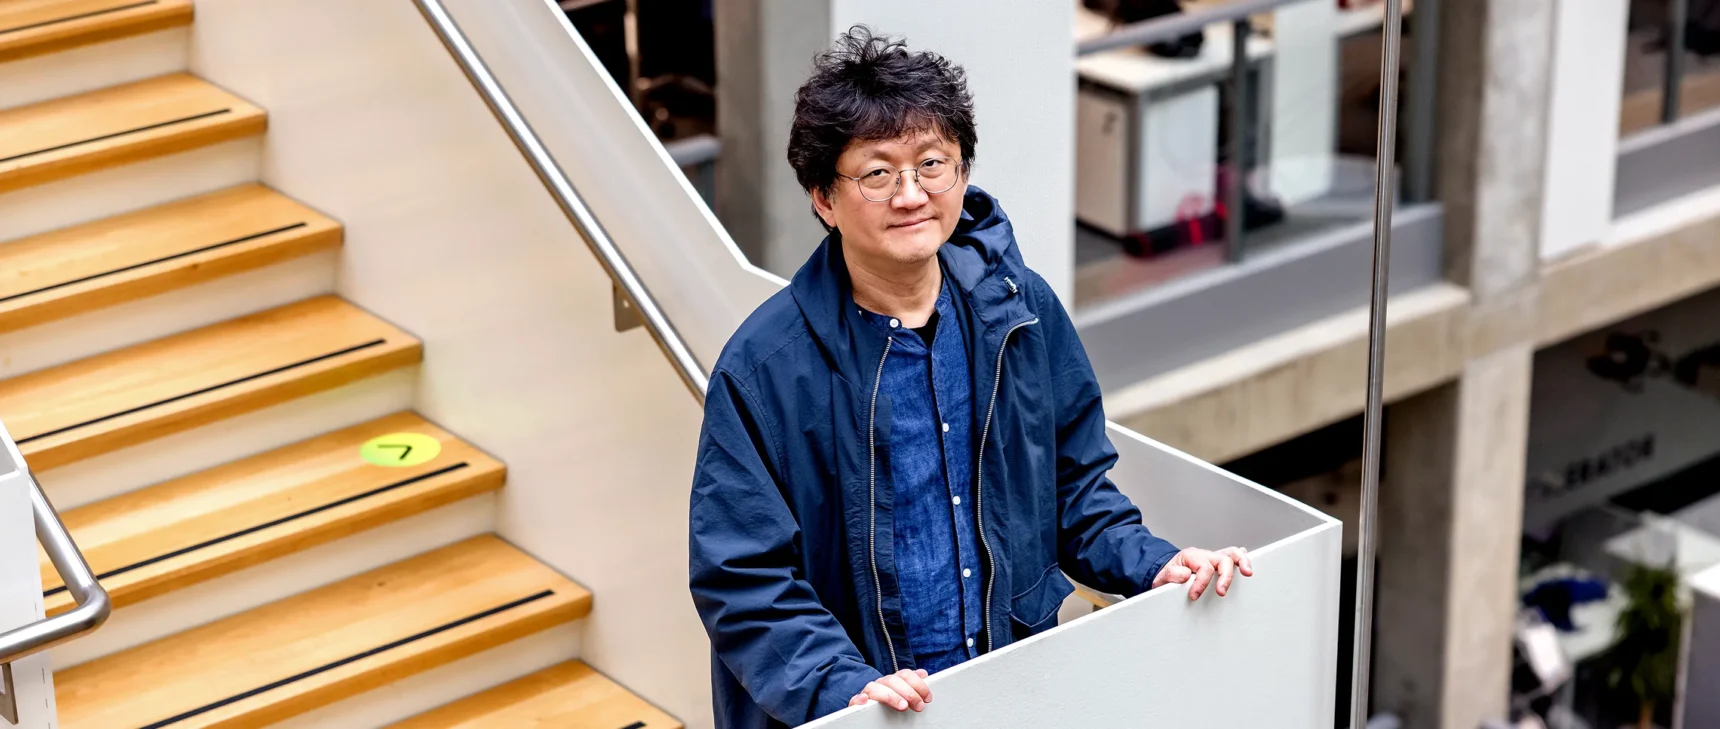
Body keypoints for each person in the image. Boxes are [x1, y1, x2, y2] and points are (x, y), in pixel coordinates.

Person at [688, 26, 1253, 729]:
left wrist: (1153, 565)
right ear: (823, 199)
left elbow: (1074, 490)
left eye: (933, 163)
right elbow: (744, 578)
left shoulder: (1019, 311)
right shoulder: (765, 368)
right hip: (866, 714)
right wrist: (846, 688)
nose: (911, 193)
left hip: (1009, 693)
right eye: (876, 172)